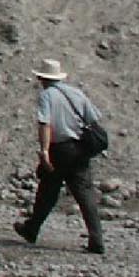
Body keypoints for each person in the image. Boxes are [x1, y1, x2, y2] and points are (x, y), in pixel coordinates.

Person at [14, 59, 106, 255]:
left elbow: (45, 124)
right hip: (79, 149)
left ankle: (32, 229)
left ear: (41, 78)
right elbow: (94, 119)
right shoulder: (76, 93)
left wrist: (44, 151)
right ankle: (96, 239)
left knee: (47, 190)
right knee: (85, 193)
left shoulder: (46, 96)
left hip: (59, 149)